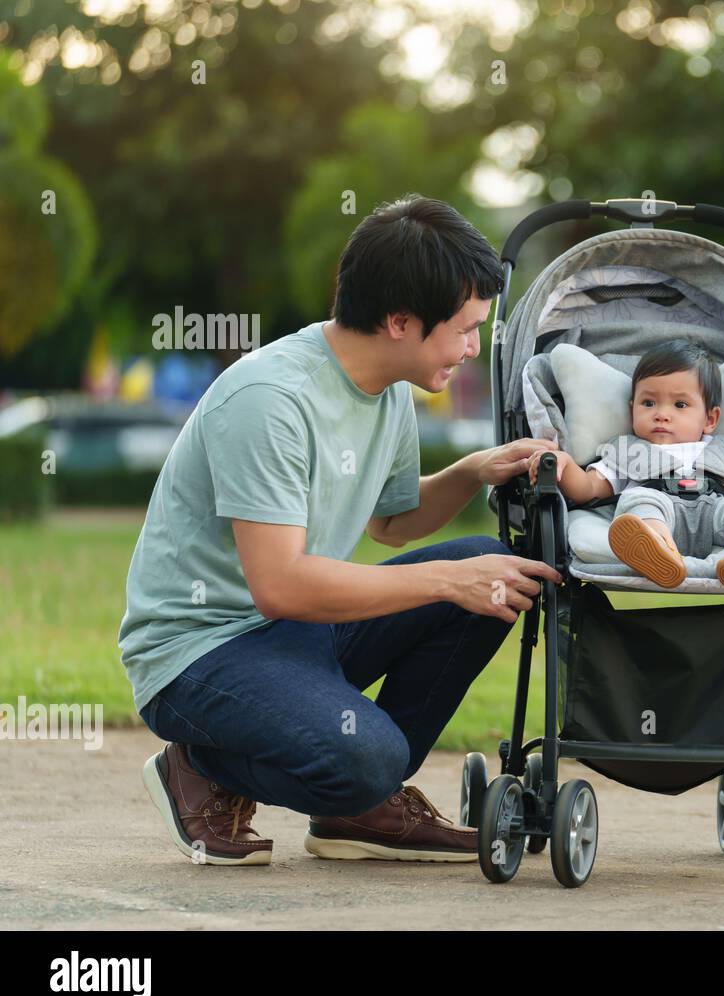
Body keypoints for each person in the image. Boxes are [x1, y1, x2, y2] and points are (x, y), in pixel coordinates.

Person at [119, 195, 562, 866]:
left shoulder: (389, 388)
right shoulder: (269, 400)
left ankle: (356, 805)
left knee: (492, 566)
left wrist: (473, 471)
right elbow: (279, 585)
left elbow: (390, 522)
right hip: (200, 653)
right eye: (466, 329)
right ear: (399, 321)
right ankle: (202, 766)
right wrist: (447, 580)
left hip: (292, 634)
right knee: (372, 751)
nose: (473, 348)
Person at [526, 340, 724, 591]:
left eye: (680, 404)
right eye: (649, 403)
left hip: (717, 514)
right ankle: (657, 552)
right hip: (659, 512)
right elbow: (588, 489)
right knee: (637, 499)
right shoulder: (626, 450)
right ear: (632, 408)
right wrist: (562, 464)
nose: (661, 414)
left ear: (710, 419)